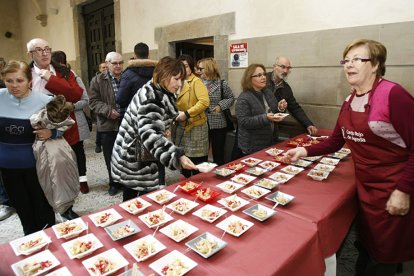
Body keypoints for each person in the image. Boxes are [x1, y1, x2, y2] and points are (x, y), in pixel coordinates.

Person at [283, 39, 414, 276]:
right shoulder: (350, 100)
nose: (349, 65)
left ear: (375, 65)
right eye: (346, 60)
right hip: (365, 187)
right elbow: (336, 141)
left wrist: (403, 190)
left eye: (357, 59)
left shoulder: (393, 95)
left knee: (384, 254)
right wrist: (304, 151)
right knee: (368, 244)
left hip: (393, 185)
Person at [111, 57, 198, 201]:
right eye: (176, 79)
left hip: (140, 153)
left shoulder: (159, 88)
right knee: (134, 198)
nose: (179, 84)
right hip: (134, 156)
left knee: (137, 196)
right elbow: (151, 135)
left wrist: (165, 126)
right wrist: (178, 156)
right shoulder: (151, 98)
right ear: (163, 75)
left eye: (181, 79)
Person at [0, 60, 55, 235]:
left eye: (19, 80)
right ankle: (30, 242)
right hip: (7, 168)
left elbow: (63, 126)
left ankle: (51, 244)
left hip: (37, 166)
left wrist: (52, 133)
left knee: (43, 207)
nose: (14, 86)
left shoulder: (45, 100)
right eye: (9, 81)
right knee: (22, 209)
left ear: (29, 80)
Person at [27, 38, 84, 197]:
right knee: (42, 172)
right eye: (39, 50)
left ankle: (67, 207)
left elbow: (76, 95)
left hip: (64, 131)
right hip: (36, 132)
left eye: (47, 49)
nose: (45, 53)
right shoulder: (25, 73)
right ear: (30, 54)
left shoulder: (64, 72)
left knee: (65, 170)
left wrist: (51, 79)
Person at [30, 95, 79, 219]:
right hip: (34, 150)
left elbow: (64, 122)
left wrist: (53, 132)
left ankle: (66, 208)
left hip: (58, 148)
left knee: (63, 175)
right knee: (43, 182)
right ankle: (49, 212)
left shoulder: (46, 98)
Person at [52, 50, 91, 194]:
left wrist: (72, 106)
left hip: (75, 121)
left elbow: (85, 100)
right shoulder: (49, 79)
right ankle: (67, 181)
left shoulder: (74, 77)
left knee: (79, 152)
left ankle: (83, 180)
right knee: (61, 155)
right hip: (57, 123)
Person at [89, 52, 124, 196]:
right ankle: (114, 183)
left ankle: (126, 181)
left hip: (126, 123)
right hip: (108, 125)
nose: (118, 66)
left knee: (126, 155)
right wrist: (109, 111)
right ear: (107, 63)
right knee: (110, 156)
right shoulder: (97, 80)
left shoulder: (127, 78)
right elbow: (93, 102)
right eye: (114, 63)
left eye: (120, 63)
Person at [235, 64, 287, 158]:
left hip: (270, 142)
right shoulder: (244, 98)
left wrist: (280, 108)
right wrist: (265, 117)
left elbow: (274, 112)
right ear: (249, 78)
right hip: (253, 147)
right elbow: (244, 122)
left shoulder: (268, 92)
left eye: (264, 74)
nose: (263, 77)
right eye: (259, 75)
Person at [174, 54, 210, 178]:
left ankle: (199, 188)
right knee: (183, 159)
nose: (184, 69)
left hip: (196, 127)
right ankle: (186, 187)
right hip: (181, 126)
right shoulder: (177, 81)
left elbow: (204, 102)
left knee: (197, 163)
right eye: (181, 66)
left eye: (186, 66)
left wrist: (187, 114)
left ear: (191, 67)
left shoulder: (196, 81)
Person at [266, 56, 318, 135]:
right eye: (283, 67)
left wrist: (308, 124)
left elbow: (295, 108)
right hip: (257, 128)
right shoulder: (262, 80)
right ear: (274, 67)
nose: (286, 71)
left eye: (288, 68)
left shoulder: (286, 88)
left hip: (273, 130)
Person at [198, 57, 235, 165]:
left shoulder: (221, 84)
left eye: (201, 69)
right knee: (202, 153)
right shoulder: (197, 84)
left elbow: (231, 98)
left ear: (209, 68)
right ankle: (203, 174)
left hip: (218, 123)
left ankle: (219, 174)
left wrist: (221, 105)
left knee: (218, 153)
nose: (198, 71)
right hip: (201, 122)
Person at [116, 42, 157, 121]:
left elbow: (120, 100)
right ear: (148, 55)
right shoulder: (157, 72)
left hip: (134, 116)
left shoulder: (128, 74)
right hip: (153, 114)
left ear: (134, 55)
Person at [92, 62, 107, 153]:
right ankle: (98, 144)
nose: (105, 69)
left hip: (109, 106)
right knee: (100, 126)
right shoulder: (95, 80)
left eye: (106, 67)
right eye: (103, 67)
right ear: (99, 69)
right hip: (100, 107)